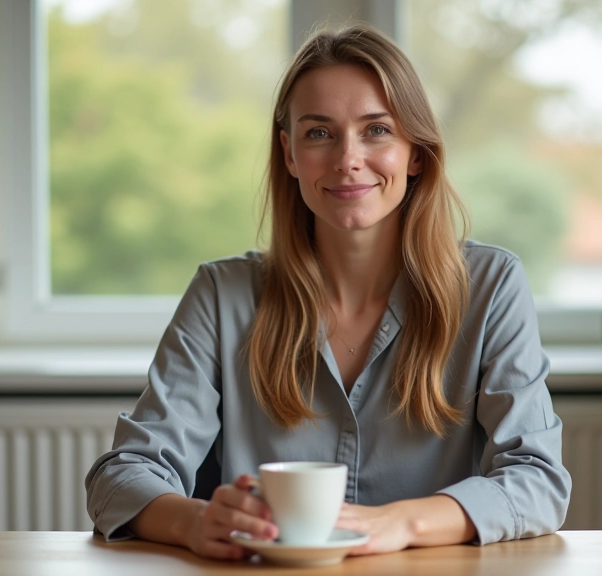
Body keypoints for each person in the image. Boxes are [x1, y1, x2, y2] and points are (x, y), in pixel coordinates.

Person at [85, 23, 571, 560]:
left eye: (377, 130)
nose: (347, 159)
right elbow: (121, 476)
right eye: (319, 133)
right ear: (289, 154)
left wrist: (402, 523)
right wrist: (195, 521)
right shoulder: (222, 295)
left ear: (415, 153)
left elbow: (538, 481)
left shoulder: (491, 287)